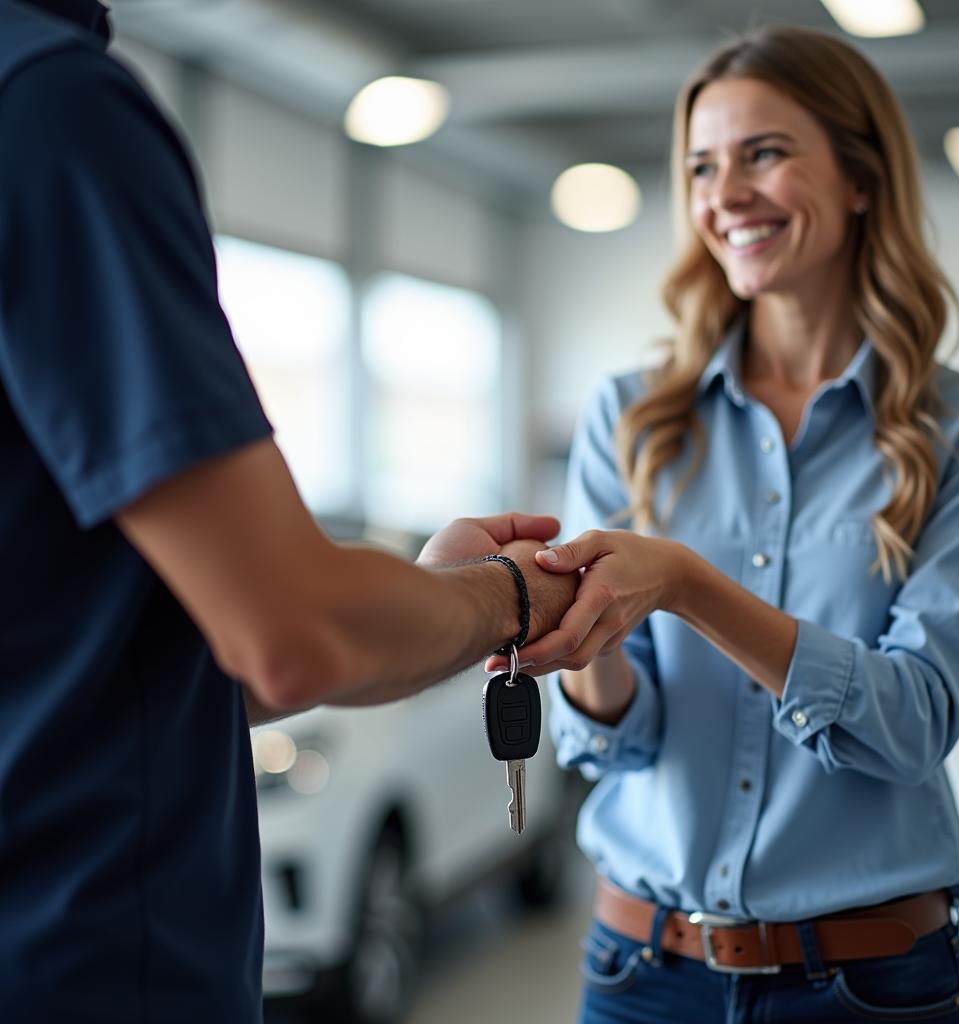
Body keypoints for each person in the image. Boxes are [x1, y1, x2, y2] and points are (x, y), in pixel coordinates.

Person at [0, 1, 576, 1021]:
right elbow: (288, 639)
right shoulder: (50, 111)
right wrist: (505, 602)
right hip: (86, 965)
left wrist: (424, 594)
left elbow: (105, 668)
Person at [496, 24, 959, 1023]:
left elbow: (911, 722)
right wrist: (577, 631)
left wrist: (687, 585)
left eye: (764, 154)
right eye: (701, 165)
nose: (723, 193)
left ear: (861, 178)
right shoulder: (631, 416)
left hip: (872, 988)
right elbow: (618, 739)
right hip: (639, 973)